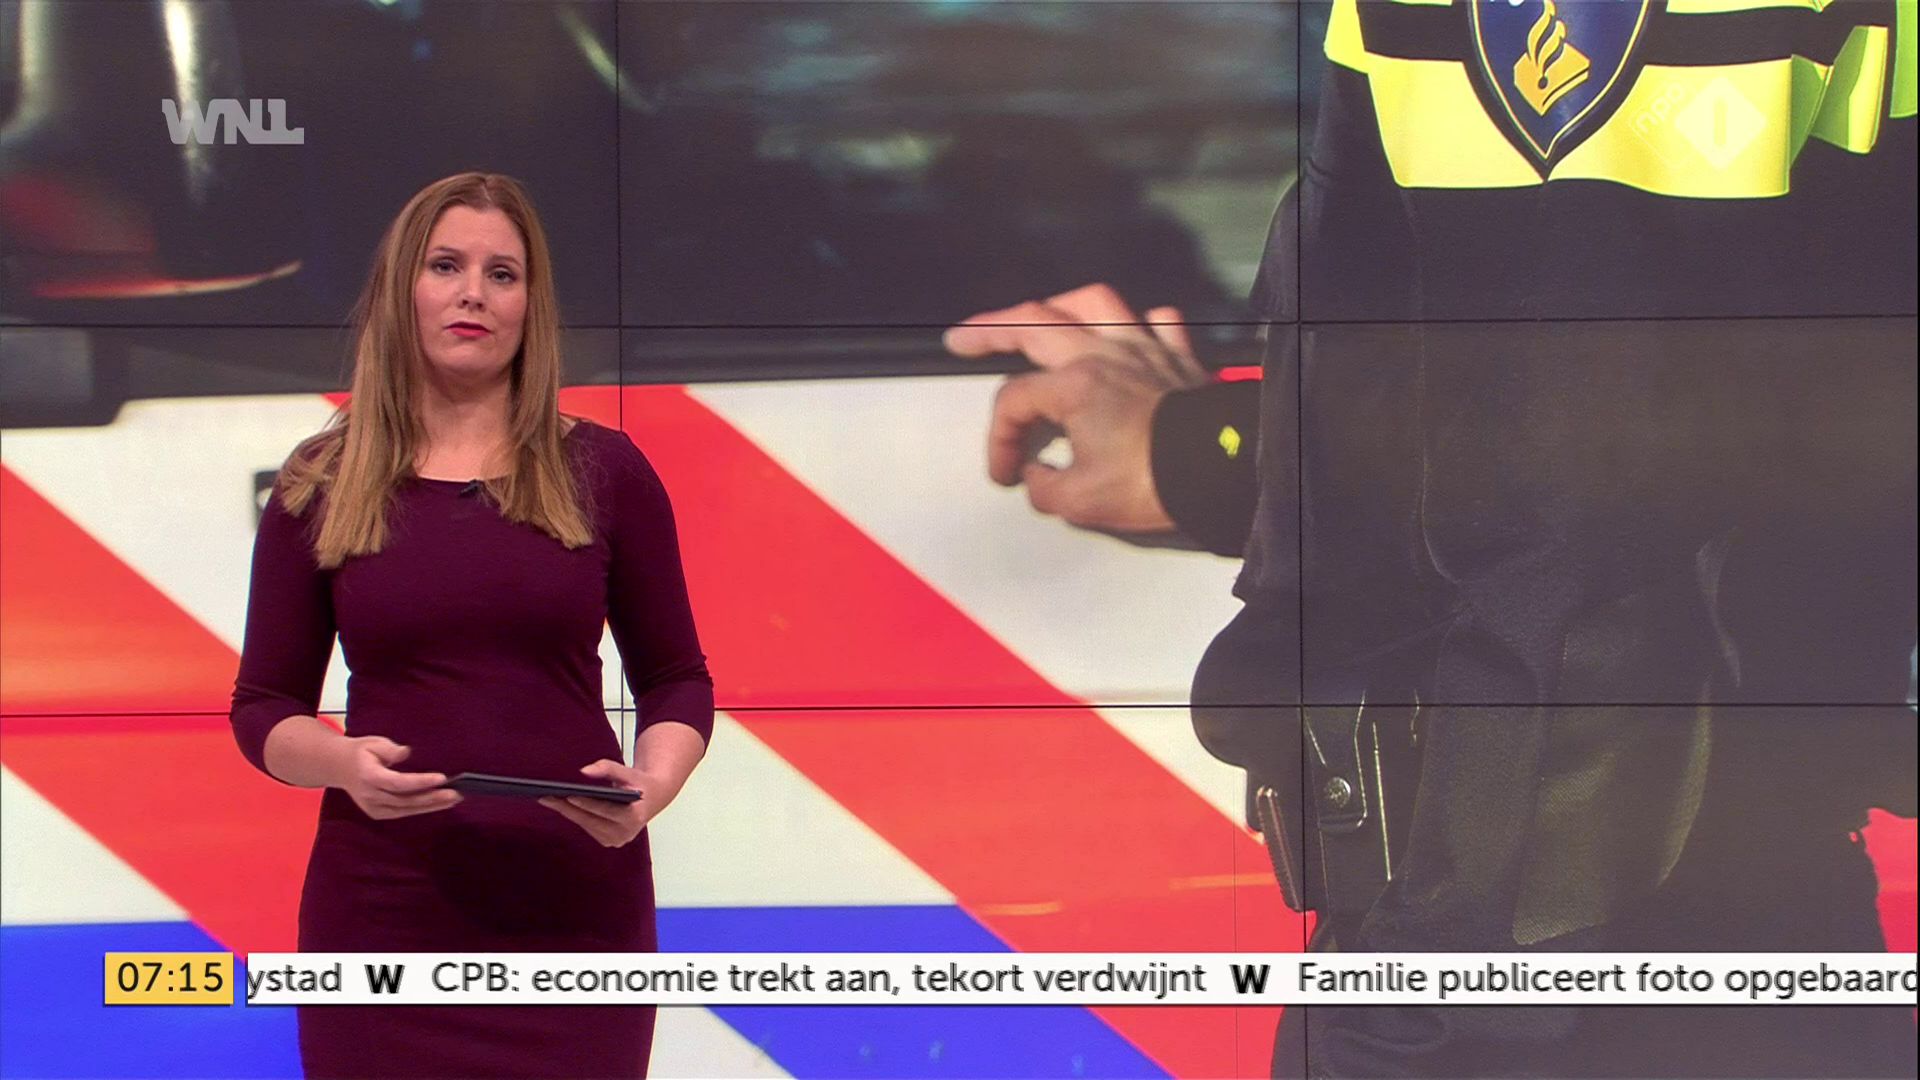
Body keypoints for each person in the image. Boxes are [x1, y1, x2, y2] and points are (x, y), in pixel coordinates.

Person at [946, 1, 1917, 1075]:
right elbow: (1684, 387)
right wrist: (1212, 451)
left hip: (1578, 981)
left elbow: (1578, 545)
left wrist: (1433, 1028)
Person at [228, 171, 713, 1079]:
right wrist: (344, 764)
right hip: (382, 914)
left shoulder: (606, 472)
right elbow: (263, 708)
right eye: (446, 266)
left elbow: (676, 679)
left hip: (575, 914)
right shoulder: (321, 480)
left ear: (531, 305)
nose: (473, 294)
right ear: (402, 289)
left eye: (502, 274)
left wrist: (653, 785)